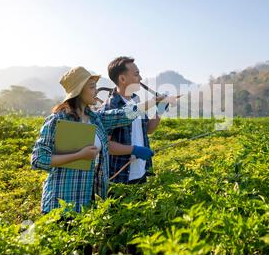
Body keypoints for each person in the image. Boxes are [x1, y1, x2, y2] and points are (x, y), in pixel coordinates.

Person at [31, 66, 162, 214]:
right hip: (60, 202)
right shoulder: (57, 120)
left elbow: (123, 114)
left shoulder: (96, 118)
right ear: (79, 91)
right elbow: (38, 159)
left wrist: (154, 102)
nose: (96, 91)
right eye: (92, 87)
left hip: (86, 203)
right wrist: (80, 155)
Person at [102, 56, 178, 184]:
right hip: (120, 176)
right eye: (136, 74)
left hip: (141, 172)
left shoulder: (136, 101)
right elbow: (106, 145)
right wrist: (134, 150)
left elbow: (148, 129)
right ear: (122, 79)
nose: (141, 79)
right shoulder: (111, 106)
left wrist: (160, 109)